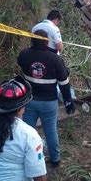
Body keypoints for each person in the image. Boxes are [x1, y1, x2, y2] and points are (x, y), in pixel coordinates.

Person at [17, 30, 75, 168]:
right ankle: (55, 160)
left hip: (29, 102)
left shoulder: (24, 54)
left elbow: (20, 63)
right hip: (48, 102)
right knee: (50, 131)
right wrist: (68, 101)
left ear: (32, 40)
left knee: (26, 131)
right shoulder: (54, 59)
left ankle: (26, 157)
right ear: (47, 41)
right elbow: (64, 83)